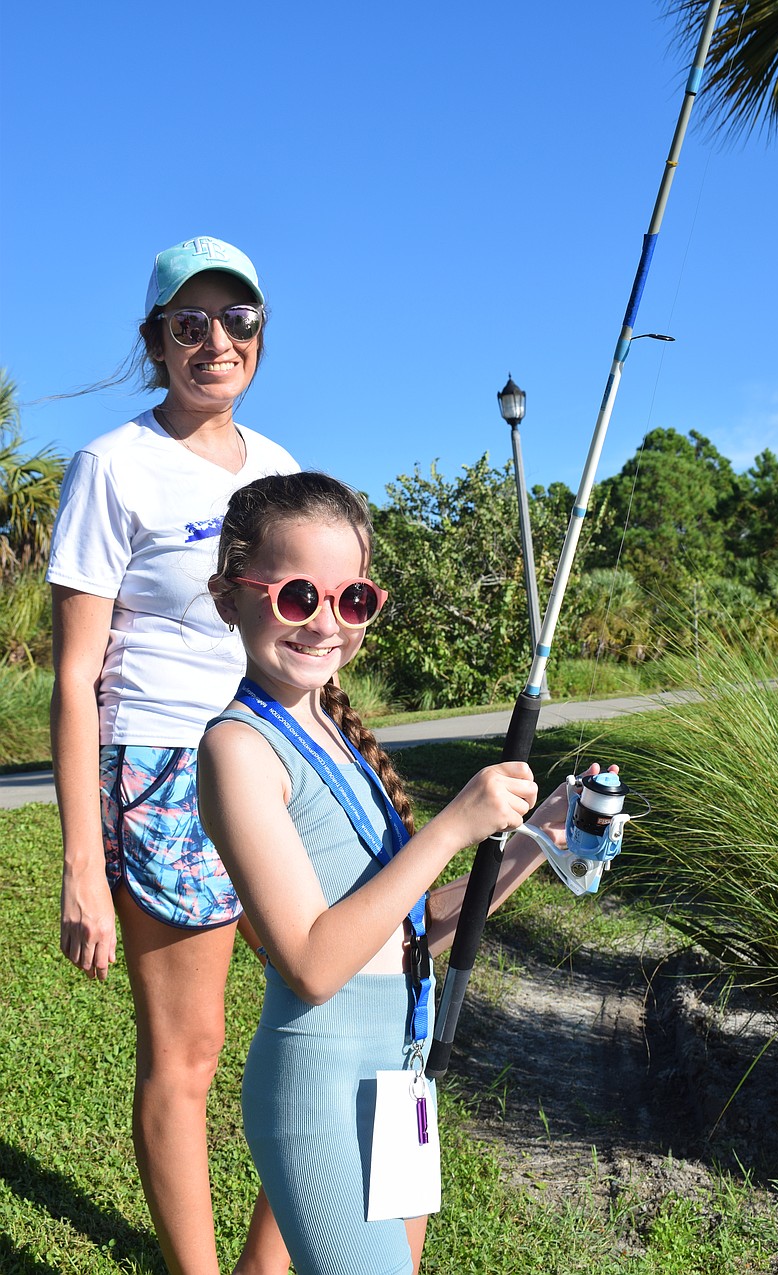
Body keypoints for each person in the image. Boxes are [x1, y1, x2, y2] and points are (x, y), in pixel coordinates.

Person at [197, 471, 617, 1275]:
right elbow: (315, 962)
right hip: (319, 1087)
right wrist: (458, 822)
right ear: (229, 596)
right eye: (295, 596)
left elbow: (406, 924)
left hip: (401, 1071)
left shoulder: (334, 730)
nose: (325, 622)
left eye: (350, 599)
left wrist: (535, 838)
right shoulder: (239, 750)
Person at [47, 237, 299, 1275]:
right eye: (187, 323)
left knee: (330, 1013)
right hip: (159, 765)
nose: (214, 341)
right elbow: (75, 676)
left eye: (235, 320)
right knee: (187, 1055)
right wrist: (80, 870)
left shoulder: (283, 470)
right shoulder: (113, 464)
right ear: (155, 343)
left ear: (259, 337)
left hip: (274, 757)